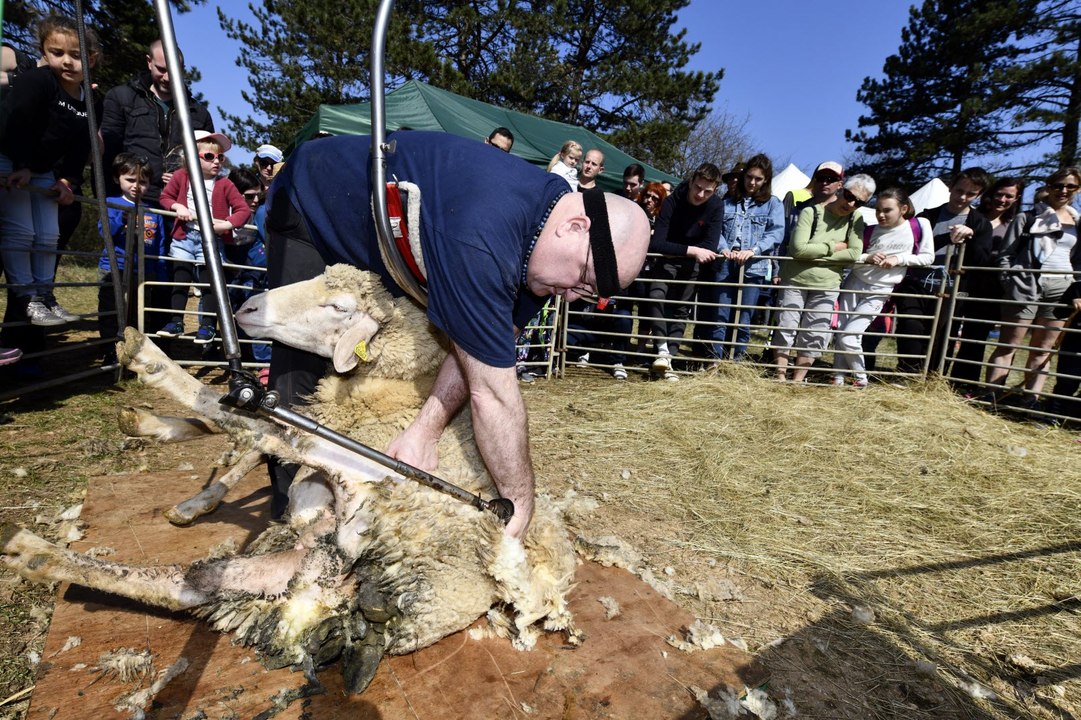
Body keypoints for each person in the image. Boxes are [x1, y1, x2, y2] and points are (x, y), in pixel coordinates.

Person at [261, 130, 651, 539]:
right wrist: (517, 511)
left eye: (588, 295)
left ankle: (352, 498)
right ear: (574, 227)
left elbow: (476, 351)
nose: (571, 297)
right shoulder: (482, 237)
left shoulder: (543, 233)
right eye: (583, 279)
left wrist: (423, 430)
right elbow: (493, 394)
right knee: (304, 364)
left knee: (384, 361)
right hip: (313, 202)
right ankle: (291, 518)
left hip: (386, 236)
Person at [0, 15, 100, 328]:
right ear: (44, 52)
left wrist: (68, 180)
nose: (66, 62)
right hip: (10, 158)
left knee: (48, 234)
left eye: (75, 54)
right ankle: (26, 297)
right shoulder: (38, 82)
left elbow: (81, 146)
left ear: (91, 59)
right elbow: (16, 123)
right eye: (56, 53)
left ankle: (45, 293)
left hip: (42, 169)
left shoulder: (90, 100)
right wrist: (21, 165)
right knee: (21, 231)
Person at [984, 167, 1081, 404]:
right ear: (1048, 186)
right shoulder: (1026, 218)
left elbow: (1078, 259)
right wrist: (1011, 282)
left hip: (1062, 287)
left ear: (1077, 190)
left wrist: (1077, 288)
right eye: (1058, 185)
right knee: (1008, 345)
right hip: (1026, 284)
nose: (1063, 191)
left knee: (1042, 350)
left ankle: (1031, 402)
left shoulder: (1078, 222)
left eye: (1070, 186)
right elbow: (1005, 255)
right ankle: (992, 398)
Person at [773, 174, 874, 382]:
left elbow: (854, 253)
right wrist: (833, 248)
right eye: (849, 195)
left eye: (860, 202)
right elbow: (797, 249)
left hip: (828, 285)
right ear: (841, 190)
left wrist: (816, 252)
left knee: (814, 334)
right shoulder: (811, 212)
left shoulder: (856, 219)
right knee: (787, 327)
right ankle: (780, 377)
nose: (851, 203)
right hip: (794, 280)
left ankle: (797, 381)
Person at [893, 168, 991, 376]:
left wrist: (971, 237)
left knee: (943, 334)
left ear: (979, 195)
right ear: (950, 187)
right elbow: (912, 245)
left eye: (970, 194)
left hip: (952, 288)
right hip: (918, 283)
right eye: (959, 190)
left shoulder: (980, 223)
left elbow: (982, 259)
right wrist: (948, 238)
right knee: (911, 326)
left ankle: (932, 377)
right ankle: (907, 372)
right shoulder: (927, 216)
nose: (962, 197)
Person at [157, 130, 251, 344]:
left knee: (209, 283)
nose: (216, 161)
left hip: (210, 238)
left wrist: (226, 224)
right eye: (209, 157)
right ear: (191, 158)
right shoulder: (182, 177)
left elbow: (242, 210)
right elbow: (165, 197)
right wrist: (177, 205)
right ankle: (175, 321)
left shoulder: (225, 183)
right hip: (184, 236)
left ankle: (207, 326)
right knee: (180, 278)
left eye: (220, 157)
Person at [832, 188, 933, 387]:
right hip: (854, 282)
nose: (880, 214)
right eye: (878, 209)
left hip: (880, 290)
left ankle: (861, 379)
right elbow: (851, 258)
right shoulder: (869, 229)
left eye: (887, 210)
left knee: (849, 337)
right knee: (842, 333)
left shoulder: (919, 225)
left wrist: (899, 259)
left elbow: (928, 257)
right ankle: (838, 377)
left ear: (903, 208)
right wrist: (866, 258)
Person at [101, 39, 215, 205]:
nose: (167, 77)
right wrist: (107, 201)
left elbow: (209, 162)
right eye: (161, 69)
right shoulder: (120, 98)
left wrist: (184, 177)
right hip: (131, 202)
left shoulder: (199, 114)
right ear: (149, 62)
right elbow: (107, 153)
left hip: (180, 205)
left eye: (174, 71)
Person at [641, 163, 723, 380]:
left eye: (708, 191)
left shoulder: (716, 205)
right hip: (669, 259)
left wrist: (695, 252)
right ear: (691, 180)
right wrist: (692, 250)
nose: (700, 194)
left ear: (715, 190)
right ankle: (661, 349)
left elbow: (711, 244)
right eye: (697, 187)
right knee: (656, 295)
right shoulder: (671, 201)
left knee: (681, 309)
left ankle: (668, 361)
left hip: (693, 264)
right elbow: (657, 243)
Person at [701, 153, 784, 361]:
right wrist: (723, 248)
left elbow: (776, 234)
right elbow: (715, 228)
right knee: (720, 316)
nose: (752, 183)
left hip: (753, 266)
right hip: (726, 263)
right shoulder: (727, 202)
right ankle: (715, 361)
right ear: (744, 176)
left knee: (744, 318)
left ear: (766, 181)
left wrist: (753, 250)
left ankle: (736, 361)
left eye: (758, 179)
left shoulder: (773, 204)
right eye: (749, 177)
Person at [947, 176, 1025, 389]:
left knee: (975, 337)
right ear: (989, 194)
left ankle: (963, 384)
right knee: (947, 331)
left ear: (1016, 198)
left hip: (990, 289)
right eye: (999, 193)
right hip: (960, 281)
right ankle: (936, 376)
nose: (1002, 199)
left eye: (1009, 196)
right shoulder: (973, 216)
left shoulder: (1015, 225)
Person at [97, 153, 170, 361]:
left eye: (143, 182)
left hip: (143, 272)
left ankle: (136, 352)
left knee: (138, 313)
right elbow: (105, 232)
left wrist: (161, 272)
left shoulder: (153, 211)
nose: (136, 186)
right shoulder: (111, 203)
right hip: (114, 267)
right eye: (130, 180)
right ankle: (110, 350)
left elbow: (160, 244)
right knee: (111, 310)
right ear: (116, 179)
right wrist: (122, 217)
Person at [1044, 280, 1081, 421]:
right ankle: (1053, 417)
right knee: (1067, 382)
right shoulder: (1077, 287)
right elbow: (1058, 313)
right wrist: (1072, 301)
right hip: (1075, 343)